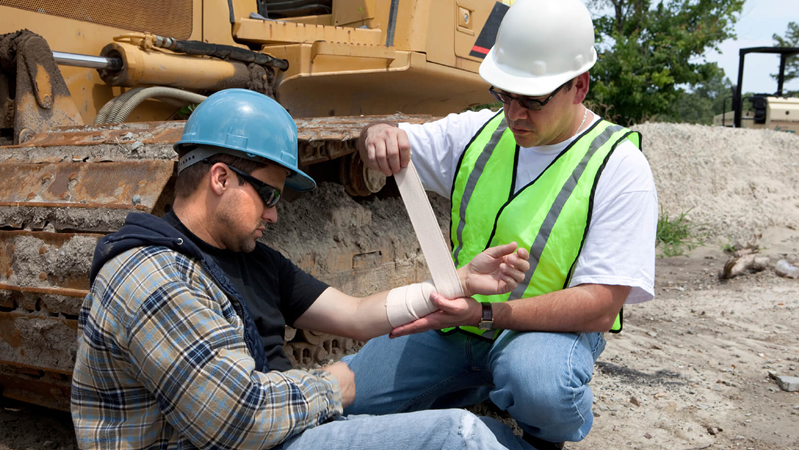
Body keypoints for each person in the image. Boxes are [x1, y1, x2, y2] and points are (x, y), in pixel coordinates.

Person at [70, 88, 536, 449]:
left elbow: (355, 315)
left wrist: (457, 282)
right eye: (269, 195)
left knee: (467, 414)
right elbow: (238, 420)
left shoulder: (255, 260)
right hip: (242, 437)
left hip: (276, 426)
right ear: (221, 178)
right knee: (457, 436)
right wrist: (333, 385)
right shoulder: (153, 276)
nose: (275, 214)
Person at [342, 0, 658, 448]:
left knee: (541, 386)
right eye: (505, 95)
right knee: (351, 398)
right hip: (455, 326)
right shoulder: (479, 133)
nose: (514, 114)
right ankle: (477, 391)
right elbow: (385, 137)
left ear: (580, 86)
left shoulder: (619, 166)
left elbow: (601, 306)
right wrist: (375, 133)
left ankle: (538, 437)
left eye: (533, 100)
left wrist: (486, 314)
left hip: (543, 337)